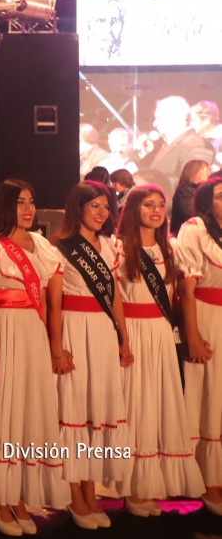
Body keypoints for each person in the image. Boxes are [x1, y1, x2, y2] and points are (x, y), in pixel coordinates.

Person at [0, 179, 71, 536]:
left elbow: (55, 305)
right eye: (20, 202)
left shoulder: (45, 247)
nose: (28, 209)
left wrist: (56, 346)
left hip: (33, 333)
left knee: (31, 410)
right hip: (4, 332)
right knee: (4, 409)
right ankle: (0, 498)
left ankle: (19, 495)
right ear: (5, 206)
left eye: (32, 202)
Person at [114, 185, 205, 516]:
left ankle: (151, 485)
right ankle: (133, 488)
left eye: (160, 205)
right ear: (134, 208)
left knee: (156, 403)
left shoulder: (171, 248)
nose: (156, 210)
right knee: (135, 404)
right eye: (148, 204)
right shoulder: (118, 248)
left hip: (161, 334)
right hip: (134, 332)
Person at [50, 180, 133, 530]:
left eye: (105, 208)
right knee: (74, 409)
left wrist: (123, 338)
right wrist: (56, 346)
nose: (101, 214)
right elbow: (53, 303)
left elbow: (114, 295)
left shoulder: (110, 247)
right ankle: (74, 494)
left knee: (96, 411)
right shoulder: (58, 247)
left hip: (101, 330)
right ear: (78, 208)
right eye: (94, 206)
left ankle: (91, 490)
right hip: (73, 327)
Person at [175, 176, 222, 516]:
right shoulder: (195, 229)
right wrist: (192, 335)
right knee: (207, 393)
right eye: (221, 196)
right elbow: (186, 289)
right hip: (207, 316)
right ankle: (206, 477)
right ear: (207, 200)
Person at [145, 96, 214, 188]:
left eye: (159, 118)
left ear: (176, 117)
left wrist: (151, 183)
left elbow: (193, 181)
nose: (154, 124)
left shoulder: (195, 143)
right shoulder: (169, 144)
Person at [171, 160, 210, 235]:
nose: (207, 173)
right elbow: (191, 215)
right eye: (204, 170)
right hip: (185, 236)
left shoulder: (200, 190)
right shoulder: (185, 191)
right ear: (193, 172)